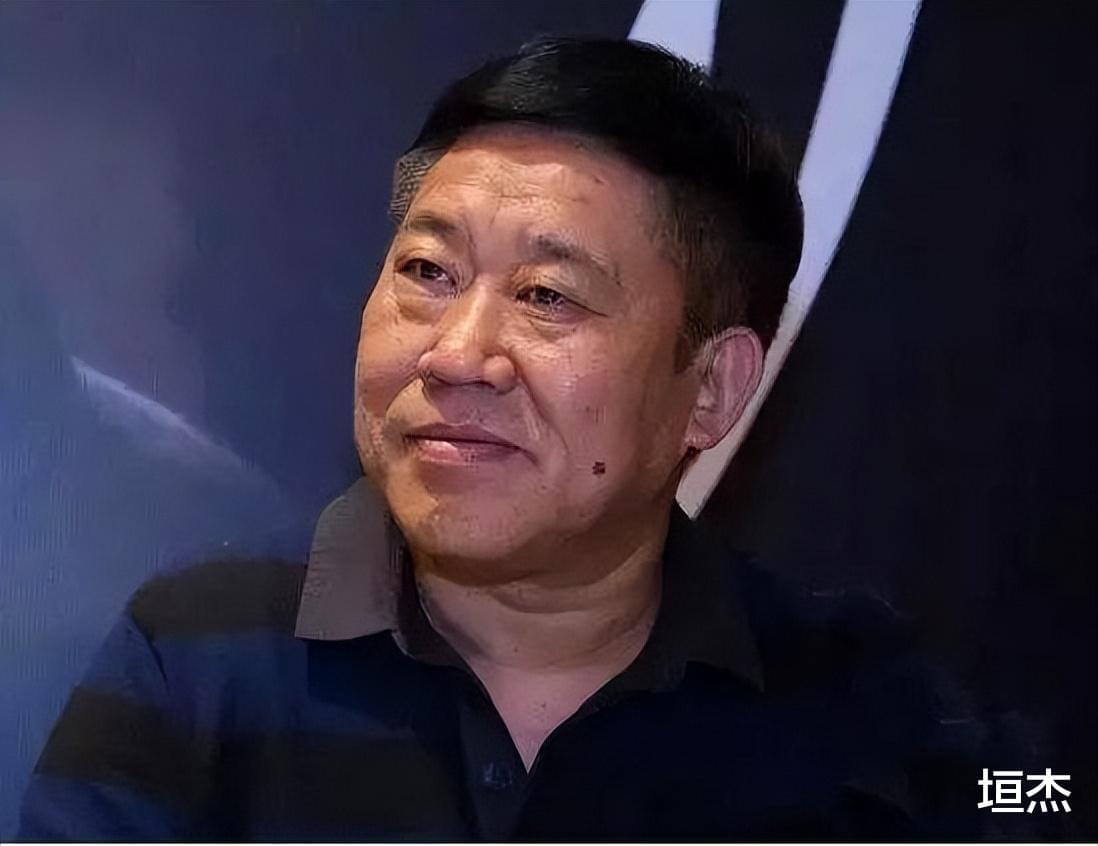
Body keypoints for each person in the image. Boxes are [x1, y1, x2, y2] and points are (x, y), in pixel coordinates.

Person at [17, 37, 1035, 841]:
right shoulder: (195, 659)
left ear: (713, 388)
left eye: (548, 295)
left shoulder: (865, 709)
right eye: (428, 274)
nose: (457, 354)